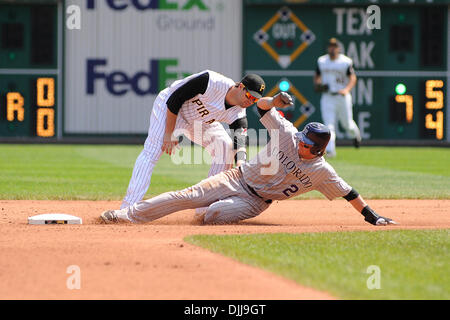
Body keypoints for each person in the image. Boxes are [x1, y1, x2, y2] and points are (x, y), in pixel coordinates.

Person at [101, 92, 397, 227]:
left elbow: (349, 193)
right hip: (237, 177)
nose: (300, 143)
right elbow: (263, 109)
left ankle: (205, 213)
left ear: (318, 150)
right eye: (302, 138)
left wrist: (372, 216)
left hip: (255, 202)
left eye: (307, 143)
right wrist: (274, 99)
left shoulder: (322, 171)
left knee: (211, 215)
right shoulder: (288, 134)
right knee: (189, 195)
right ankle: (127, 215)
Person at [121, 70, 266, 219]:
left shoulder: (238, 113)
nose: (250, 101)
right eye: (250, 96)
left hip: (200, 121)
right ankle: (128, 207)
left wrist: (240, 165)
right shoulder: (212, 82)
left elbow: (240, 141)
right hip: (170, 108)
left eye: (255, 100)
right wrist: (169, 134)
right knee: (152, 152)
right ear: (241, 86)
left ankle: (204, 209)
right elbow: (175, 99)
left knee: (225, 146)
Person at [314, 37, 362, 157]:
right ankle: (330, 150)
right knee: (329, 125)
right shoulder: (322, 61)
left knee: (347, 124)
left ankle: (355, 135)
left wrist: (346, 89)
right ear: (328, 48)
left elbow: (353, 77)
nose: (332, 48)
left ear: (339, 48)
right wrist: (318, 84)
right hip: (328, 96)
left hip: (342, 96)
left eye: (335, 46)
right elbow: (317, 76)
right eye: (331, 46)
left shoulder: (345, 61)